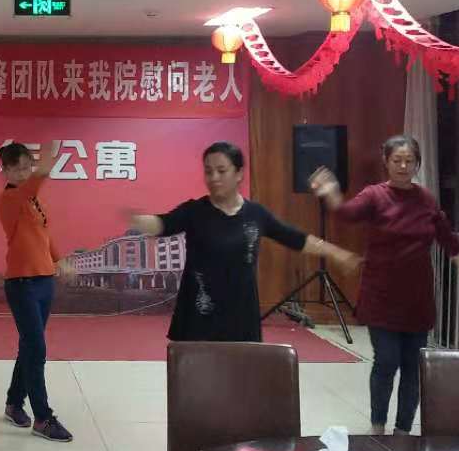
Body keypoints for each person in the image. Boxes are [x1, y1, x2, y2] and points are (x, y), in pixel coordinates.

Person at [310, 135, 459, 435]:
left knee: (413, 368)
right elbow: (346, 213)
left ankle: (403, 432)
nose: (403, 166)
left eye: (409, 161)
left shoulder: (426, 200)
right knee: (386, 361)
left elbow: (448, 241)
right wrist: (331, 192)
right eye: (397, 160)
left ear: (417, 164)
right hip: (380, 296)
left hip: (417, 299)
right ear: (386, 162)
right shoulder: (375, 195)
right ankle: (378, 427)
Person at [127, 141, 360, 343]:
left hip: (240, 316)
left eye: (221, 171)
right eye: (208, 171)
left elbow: (295, 238)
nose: (214, 178)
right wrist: (135, 218)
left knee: (240, 378)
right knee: (195, 379)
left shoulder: (256, 214)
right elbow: (162, 224)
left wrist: (335, 252)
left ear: (239, 173)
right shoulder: (194, 211)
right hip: (198, 315)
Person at [0, 140, 74, 442]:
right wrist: (44, 168)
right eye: (17, 168)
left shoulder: (32, 200)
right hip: (22, 283)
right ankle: (42, 418)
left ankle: (13, 403)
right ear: (5, 171)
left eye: (28, 167)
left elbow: (44, 233)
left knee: (29, 346)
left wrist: (59, 260)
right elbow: (31, 186)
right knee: (37, 349)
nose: (24, 173)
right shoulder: (9, 199)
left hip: (44, 281)